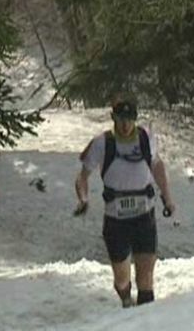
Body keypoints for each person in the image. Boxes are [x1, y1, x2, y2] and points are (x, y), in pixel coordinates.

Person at [74, 96, 176, 308]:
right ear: (113, 118)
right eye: (121, 119)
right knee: (122, 278)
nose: (125, 124)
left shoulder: (146, 138)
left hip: (144, 216)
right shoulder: (102, 143)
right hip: (116, 220)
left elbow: (156, 165)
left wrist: (167, 197)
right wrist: (83, 199)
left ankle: (145, 320)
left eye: (129, 119)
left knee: (145, 279)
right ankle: (126, 301)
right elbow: (82, 176)